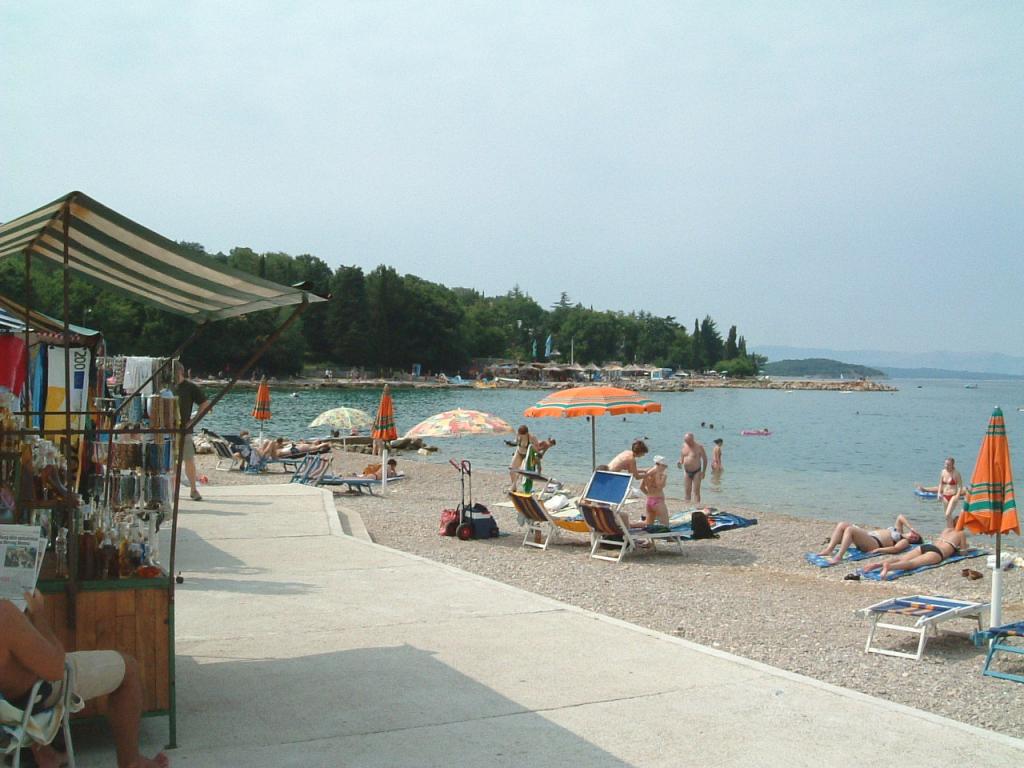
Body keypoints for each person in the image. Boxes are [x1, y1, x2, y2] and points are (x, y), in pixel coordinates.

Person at [0, 591, 169, 768]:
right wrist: (38, 614)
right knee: (129, 668)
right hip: (30, 695)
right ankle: (131, 762)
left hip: (8, 700)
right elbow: (56, 668)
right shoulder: (4, 614)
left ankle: (46, 754)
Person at [862, 526, 969, 580]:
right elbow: (963, 553)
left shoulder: (946, 530)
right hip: (937, 553)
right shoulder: (961, 533)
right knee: (913, 564)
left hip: (926, 546)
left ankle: (877, 564)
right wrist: (963, 548)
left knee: (901, 558)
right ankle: (889, 567)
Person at [817, 514, 922, 564]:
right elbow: (900, 517)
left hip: (874, 544)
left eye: (915, 539)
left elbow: (896, 549)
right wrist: (911, 528)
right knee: (842, 524)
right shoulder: (899, 530)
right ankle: (829, 549)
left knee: (850, 529)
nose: (913, 536)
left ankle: (839, 557)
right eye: (914, 535)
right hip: (868, 537)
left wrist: (879, 550)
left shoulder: (905, 541)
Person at [174, 362, 210, 501]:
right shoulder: (167, 386)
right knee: (170, 462)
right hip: (168, 429)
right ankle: (172, 490)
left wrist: (193, 421)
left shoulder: (190, 387)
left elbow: (205, 404)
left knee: (188, 459)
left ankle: (193, 489)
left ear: (180, 371)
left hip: (185, 430)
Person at [677, 432, 708, 505]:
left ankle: (697, 507)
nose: (687, 443)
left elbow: (705, 460)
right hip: (686, 471)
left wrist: (704, 472)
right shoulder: (684, 446)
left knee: (696, 491)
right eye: (686, 441)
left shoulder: (699, 447)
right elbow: (682, 458)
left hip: (697, 471)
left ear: (692, 439)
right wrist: (679, 462)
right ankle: (687, 507)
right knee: (687, 491)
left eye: (689, 441)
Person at [639, 456, 670, 527]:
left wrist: (648, 495)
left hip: (649, 501)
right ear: (658, 464)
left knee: (648, 524)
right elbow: (659, 486)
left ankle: (629, 525)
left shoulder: (647, 472)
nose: (665, 468)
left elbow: (641, 487)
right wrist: (664, 478)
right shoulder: (659, 473)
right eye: (664, 466)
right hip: (658, 502)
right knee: (666, 526)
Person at [508, 425, 540, 490]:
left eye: (522, 435)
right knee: (512, 470)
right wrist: (510, 444)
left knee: (521, 472)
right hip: (519, 453)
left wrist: (535, 459)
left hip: (527, 456)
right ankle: (514, 486)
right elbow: (516, 442)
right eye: (520, 434)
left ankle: (517, 486)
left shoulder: (532, 438)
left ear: (526, 433)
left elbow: (537, 449)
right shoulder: (518, 435)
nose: (520, 436)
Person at [937, 457, 963, 527]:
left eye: (948, 465)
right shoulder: (943, 472)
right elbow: (940, 484)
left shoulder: (956, 473)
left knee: (947, 514)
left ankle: (951, 529)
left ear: (952, 465)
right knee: (947, 516)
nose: (946, 466)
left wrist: (957, 496)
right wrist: (939, 493)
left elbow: (960, 486)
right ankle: (950, 529)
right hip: (944, 496)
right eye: (945, 464)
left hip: (953, 496)